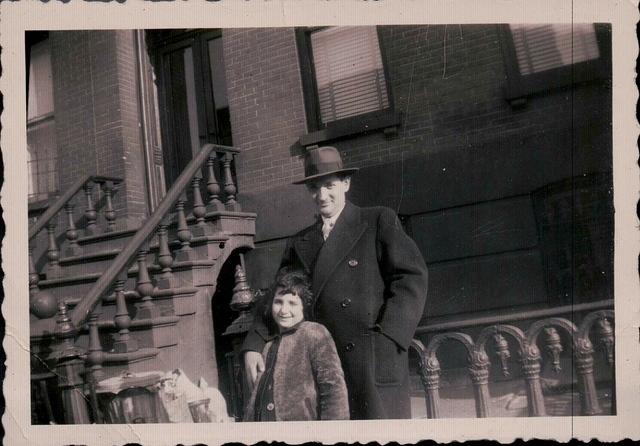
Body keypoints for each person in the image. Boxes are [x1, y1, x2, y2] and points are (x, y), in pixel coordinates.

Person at [244, 145, 428, 420]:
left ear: (346, 183)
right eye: (314, 188)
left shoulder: (376, 220)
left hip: (370, 359)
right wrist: (254, 342)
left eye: (329, 185)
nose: (322, 195)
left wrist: (389, 338)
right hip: (323, 362)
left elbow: (410, 277)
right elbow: (281, 293)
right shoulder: (300, 241)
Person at [244, 268, 349, 421]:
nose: (284, 310)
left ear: (304, 306)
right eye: (278, 302)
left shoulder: (314, 334)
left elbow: (334, 390)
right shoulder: (268, 343)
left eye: (292, 303)